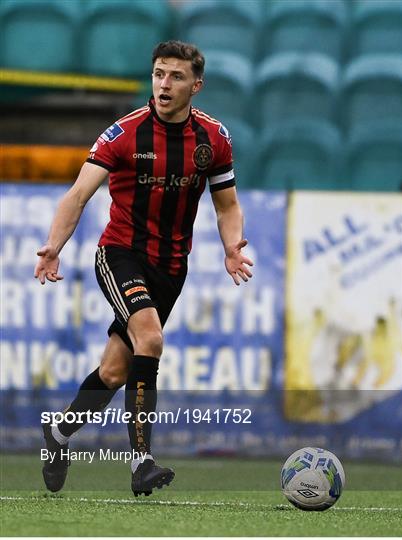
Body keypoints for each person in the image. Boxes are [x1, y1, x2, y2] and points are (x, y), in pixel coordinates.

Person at [34, 40, 253, 497]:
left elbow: (227, 204)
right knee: (150, 338)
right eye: (158, 74)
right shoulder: (124, 134)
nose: (164, 84)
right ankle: (141, 463)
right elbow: (77, 196)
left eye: (175, 76)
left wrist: (232, 246)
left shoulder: (214, 139)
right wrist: (54, 246)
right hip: (120, 255)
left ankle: (57, 436)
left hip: (171, 268)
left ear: (197, 84)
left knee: (114, 372)